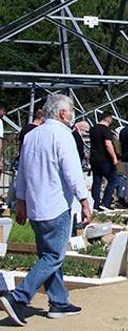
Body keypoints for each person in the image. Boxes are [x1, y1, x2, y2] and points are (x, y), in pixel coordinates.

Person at [0, 94, 92, 325]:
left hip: (35, 205)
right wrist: (84, 200)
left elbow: (21, 172)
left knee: (48, 256)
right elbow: (72, 171)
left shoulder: (31, 135)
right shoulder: (63, 135)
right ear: (62, 113)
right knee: (53, 256)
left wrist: (20, 203)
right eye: (70, 111)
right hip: (56, 204)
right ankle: (19, 298)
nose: (72, 115)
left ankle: (58, 302)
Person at [89, 111, 120, 210]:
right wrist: (114, 158)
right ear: (109, 119)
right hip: (105, 159)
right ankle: (106, 202)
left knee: (97, 181)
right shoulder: (106, 130)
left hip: (94, 158)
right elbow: (108, 144)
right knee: (113, 179)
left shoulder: (93, 129)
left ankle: (95, 204)